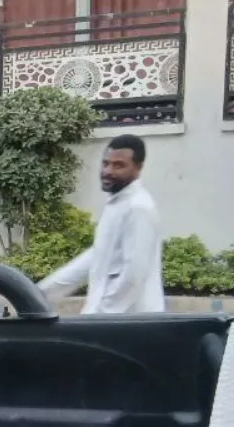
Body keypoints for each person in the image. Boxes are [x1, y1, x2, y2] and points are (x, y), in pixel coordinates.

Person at [38, 134, 163, 314]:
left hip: (130, 321)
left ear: (138, 167)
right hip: (109, 319)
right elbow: (97, 256)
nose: (108, 171)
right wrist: (40, 292)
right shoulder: (118, 203)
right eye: (105, 163)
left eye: (118, 165)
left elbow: (133, 275)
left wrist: (101, 315)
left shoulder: (138, 207)